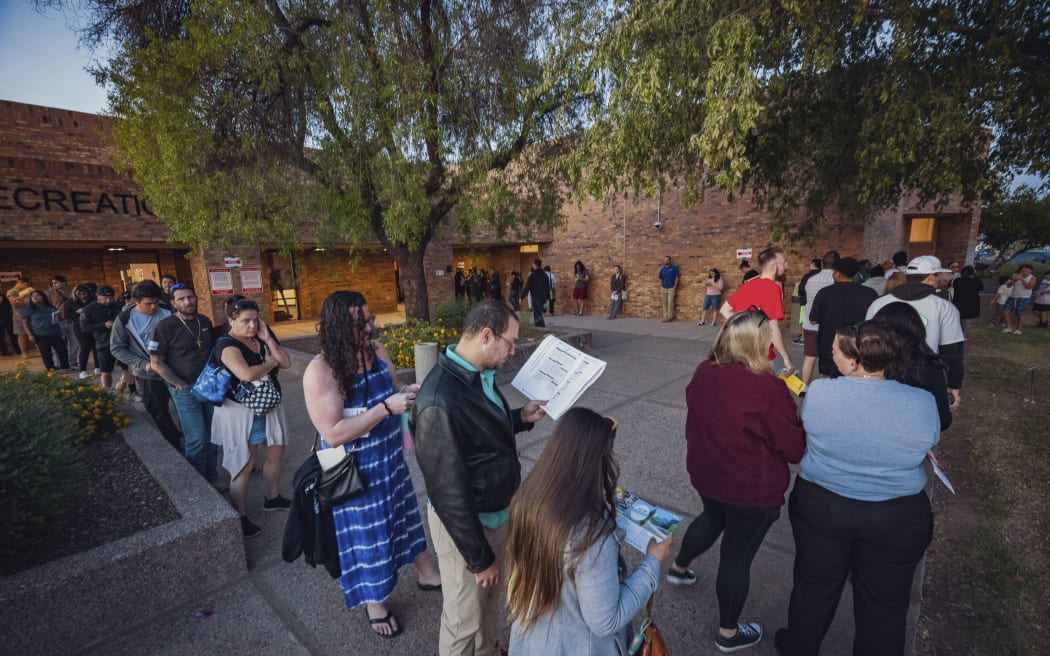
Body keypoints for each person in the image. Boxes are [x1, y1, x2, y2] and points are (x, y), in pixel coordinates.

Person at [775, 321, 939, 656]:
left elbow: (809, 425)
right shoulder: (922, 401)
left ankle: (798, 648)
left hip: (822, 507)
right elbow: (927, 441)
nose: (830, 353)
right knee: (885, 603)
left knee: (813, 587)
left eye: (834, 348)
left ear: (854, 362)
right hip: (897, 515)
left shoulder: (820, 392)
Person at [411, 300, 547, 656]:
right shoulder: (439, 400)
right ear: (487, 335)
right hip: (468, 527)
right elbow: (447, 492)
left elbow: (479, 436)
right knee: (463, 622)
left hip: (495, 513)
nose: (513, 351)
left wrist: (520, 418)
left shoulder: (478, 376)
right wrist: (478, 557)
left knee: (488, 604)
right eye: (510, 342)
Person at [666, 308, 806, 653]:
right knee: (736, 559)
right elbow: (794, 449)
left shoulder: (705, 371)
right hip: (751, 490)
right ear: (758, 344)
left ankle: (679, 567)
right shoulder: (768, 388)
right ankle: (728, 633)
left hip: (707, 474)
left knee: (711, 518)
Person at [303, 291, 441, 638]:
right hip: (355, 472)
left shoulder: (376, 351)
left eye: (368, 319)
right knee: (371, 535)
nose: (367, 327)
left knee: (405, 516)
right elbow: (333, 434)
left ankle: (426, 572)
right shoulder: (321, 371)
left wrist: (413, 390)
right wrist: (386, 409)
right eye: (358, 323)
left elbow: (393, 389)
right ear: (336, 327)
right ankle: (375, 602)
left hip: (390, 461)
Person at [506, 408, 671, 655]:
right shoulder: (591, 534)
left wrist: (601, 433)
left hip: (532, 642)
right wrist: (653, 561)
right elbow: (606, 621)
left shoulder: (529, 498)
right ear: (597, 463)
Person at [210, 298, 292, 538]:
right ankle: (240, 516)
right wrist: (268, 363)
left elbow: (285, 362)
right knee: (244, 463)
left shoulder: (261, 337)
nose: (252, 325)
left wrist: (267, 340)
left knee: (275, 452)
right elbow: (245, 374)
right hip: (240, 411)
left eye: (256, 320)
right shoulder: (226, 345)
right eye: (246, 321)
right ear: (231, 321)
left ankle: (273, 497)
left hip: (268, 405)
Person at [866, 255, 964, 407]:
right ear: (932, 277)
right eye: (938, 275)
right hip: (925, 376)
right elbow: (952, 350)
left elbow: (867, 341)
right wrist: (953, 384)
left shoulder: (879, 303)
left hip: (883, 374)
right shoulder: (944, 307)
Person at [149, 283, 222, 487]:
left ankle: (211, 476)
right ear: (173, 303)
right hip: (185, 390)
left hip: (208, 387)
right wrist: (177, 382)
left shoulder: (204, 321)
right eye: (181, 299)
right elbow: (156, 361)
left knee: (212, 433)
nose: (188, 302)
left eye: (190, 297)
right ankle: (200, 484)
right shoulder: (165, 327)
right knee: (196, 437)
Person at [110, 280, 182, 449]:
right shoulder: (124, 319)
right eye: (148, 304)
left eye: (156, 302)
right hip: (148, 374)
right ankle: (174, 442)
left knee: (185, 409)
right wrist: (143, 363)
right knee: (158, 410)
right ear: (135, 301)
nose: (153, 307)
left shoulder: (169, 312)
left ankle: (189, 438)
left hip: (176, 371)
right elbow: (117, 348)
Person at [874, 302, 952, 431]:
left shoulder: (868, 363)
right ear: (918, 329)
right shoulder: (931, 366)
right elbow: (943, 420)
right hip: (915, 440)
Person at [720, 247, 795, 372]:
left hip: (739, 352)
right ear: (773, 266)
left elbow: (725, 310)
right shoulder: (772, 289)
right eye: (784, 263)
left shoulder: (748, 284)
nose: (786, 266)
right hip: (761, 357)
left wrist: (744, 327)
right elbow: (772, 328)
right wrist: (786, 358)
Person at [807, 257, 878, 380]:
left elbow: (813, 320)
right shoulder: (870, 293)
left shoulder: (825, 293)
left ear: (837, 274)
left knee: (828, 381)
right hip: (859, 348)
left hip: (829, 347)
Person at [800, 252, 839, 384]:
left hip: (810, 325)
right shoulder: (836, 280)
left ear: (822, 264)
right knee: (830, 359)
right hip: (829, 327)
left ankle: (804, 386)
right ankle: (826, 388)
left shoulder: (811, 280)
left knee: (809, 358)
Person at [80, 285, 121, 389]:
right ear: (97, 296)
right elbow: (84, 327)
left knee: (128, 368)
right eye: (105, 298)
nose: (108, 300)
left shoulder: (118, 306)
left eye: (111, 298)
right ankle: (108, 391)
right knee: (106, 371)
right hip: (103, 342)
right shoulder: (89, 309)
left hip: (121, 341)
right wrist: (103, 325)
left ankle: (129, 387)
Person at [19, 290, 70, 371]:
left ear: (43, 297)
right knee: (46, 353)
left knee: (62, 350)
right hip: (40, 334)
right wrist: (30, 334)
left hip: (55, 333)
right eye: (33, 296)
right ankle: (51, 369)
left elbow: (59, 319)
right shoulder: (29, 309)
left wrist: (59, 314)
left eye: (38, 295)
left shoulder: (51, 307)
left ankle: (66, 367)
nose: (35, 297)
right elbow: (25, 322)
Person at [64, 285, 98, 377]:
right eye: (79, 294)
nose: (82, 296)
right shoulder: (71, 302)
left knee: (96, 346)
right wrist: (76, 312)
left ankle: (97, 367)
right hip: (80, 326)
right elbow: (66, 315)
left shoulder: (93, 300)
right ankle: (83, 370)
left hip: (94, 325)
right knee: (85, 346)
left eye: (84, 294)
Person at [46, 275, 78, 367]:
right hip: (58, 322)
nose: (54, 284)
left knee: (75, 343)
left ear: (63, 282)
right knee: (58, 345)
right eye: (52, 283)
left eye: (56, 282)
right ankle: (58, 363)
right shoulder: (49, 293)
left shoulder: (71, 292)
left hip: (71, 321)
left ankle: (72, 361)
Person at [793, 259, 822, 344]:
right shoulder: (821, 276)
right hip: (819, 302)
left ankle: (803, 338)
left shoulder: (807, 276)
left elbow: (801, 288)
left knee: (804, 320)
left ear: (813, 265)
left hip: (805, 301)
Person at [7, 275, 36, 359]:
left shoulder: (29, 290)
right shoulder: (12, 291)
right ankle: (24, 353)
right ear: (20, 283)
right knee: (21, 334)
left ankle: (41, 350)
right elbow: (14, 303)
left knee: (35, 332)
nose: (27, 286)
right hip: (19, 315)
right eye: (25, 284)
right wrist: (23, 300)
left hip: (31, 314)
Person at [1002, 263, 1037, 334]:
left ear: (1030, 271)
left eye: (1027, 270)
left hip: (1024, 298)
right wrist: (1014, 279)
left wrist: (1022, 279)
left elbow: (1029, 287)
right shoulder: (1015, 275)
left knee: (1020, 313)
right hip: (1013, 296)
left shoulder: (1032, 277)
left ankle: (1019, 330)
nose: (1025, 271)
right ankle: (1009, 327)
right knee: (1005, 311)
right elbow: (1008, 286)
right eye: (1023, 270)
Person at [949, 265, 982, 334]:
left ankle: (956, 333)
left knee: (958, 318)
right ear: (972, 273)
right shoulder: (977, 281)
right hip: (971, 304)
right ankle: (964, 334)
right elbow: (981, 288)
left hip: (958, 303)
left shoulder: (956, 281)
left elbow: (950, 286)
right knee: (966, 321)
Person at [520, 259, 551, 328]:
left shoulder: (532, 275)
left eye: (533, 264)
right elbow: (548, 287)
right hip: (544, 296)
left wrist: (521, 297)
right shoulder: (545, 275)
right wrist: (547, 297)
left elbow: (527, 287)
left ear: (534, 265)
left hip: (536, 296)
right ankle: (538, 326)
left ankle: (541, 326)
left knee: (537, 312)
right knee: (538, 312)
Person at [657, 255, 681, 322]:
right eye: (665, 260)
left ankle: (670, 317)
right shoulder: (662, 269)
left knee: (670, 302)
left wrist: (675, 287)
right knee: (664, 302)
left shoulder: (674, 268)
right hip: (663, 288)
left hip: (671, 288)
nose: (666, 261)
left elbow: (677, 277)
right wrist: (661, 286)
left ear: (670, 261)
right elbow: (660, 278)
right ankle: (665, 316)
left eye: (667, 260)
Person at [0, 292, 20, 356]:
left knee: (12, 334)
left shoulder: (3, 295)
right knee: (1, 337)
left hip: (7, 318)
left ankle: (18, 349)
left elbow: (9, 306)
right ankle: (4, 352)